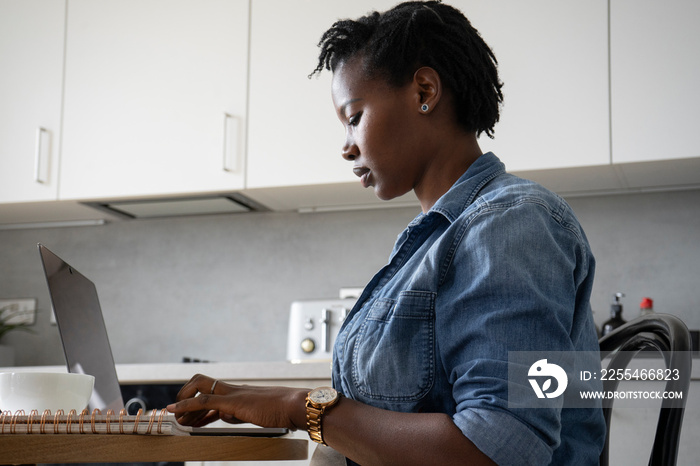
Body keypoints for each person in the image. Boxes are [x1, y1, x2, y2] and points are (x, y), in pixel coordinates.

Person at [167, 2, 606, 464]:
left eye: (354, 116)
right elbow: (382, 413)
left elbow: (493, 448)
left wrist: (299, 407)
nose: (346, 145)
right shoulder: (438, 239)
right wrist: (279, 399)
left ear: (424, 90)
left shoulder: (513, 224)